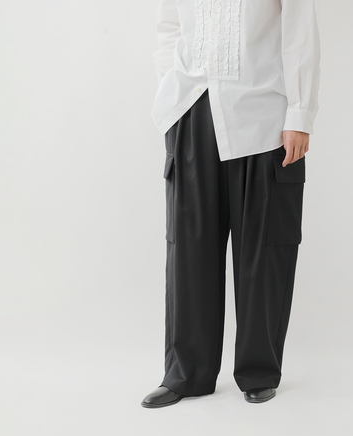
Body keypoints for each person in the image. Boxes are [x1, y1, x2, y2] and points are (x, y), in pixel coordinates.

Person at [141, 0, 321, 408]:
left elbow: (300, 32)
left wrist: (300, 114)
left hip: (264, 115)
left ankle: (259, 371)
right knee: (189, 249)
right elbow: (168, 25)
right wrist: (171, 89)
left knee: (263, 249)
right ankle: (187, 373)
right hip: (191, 110)